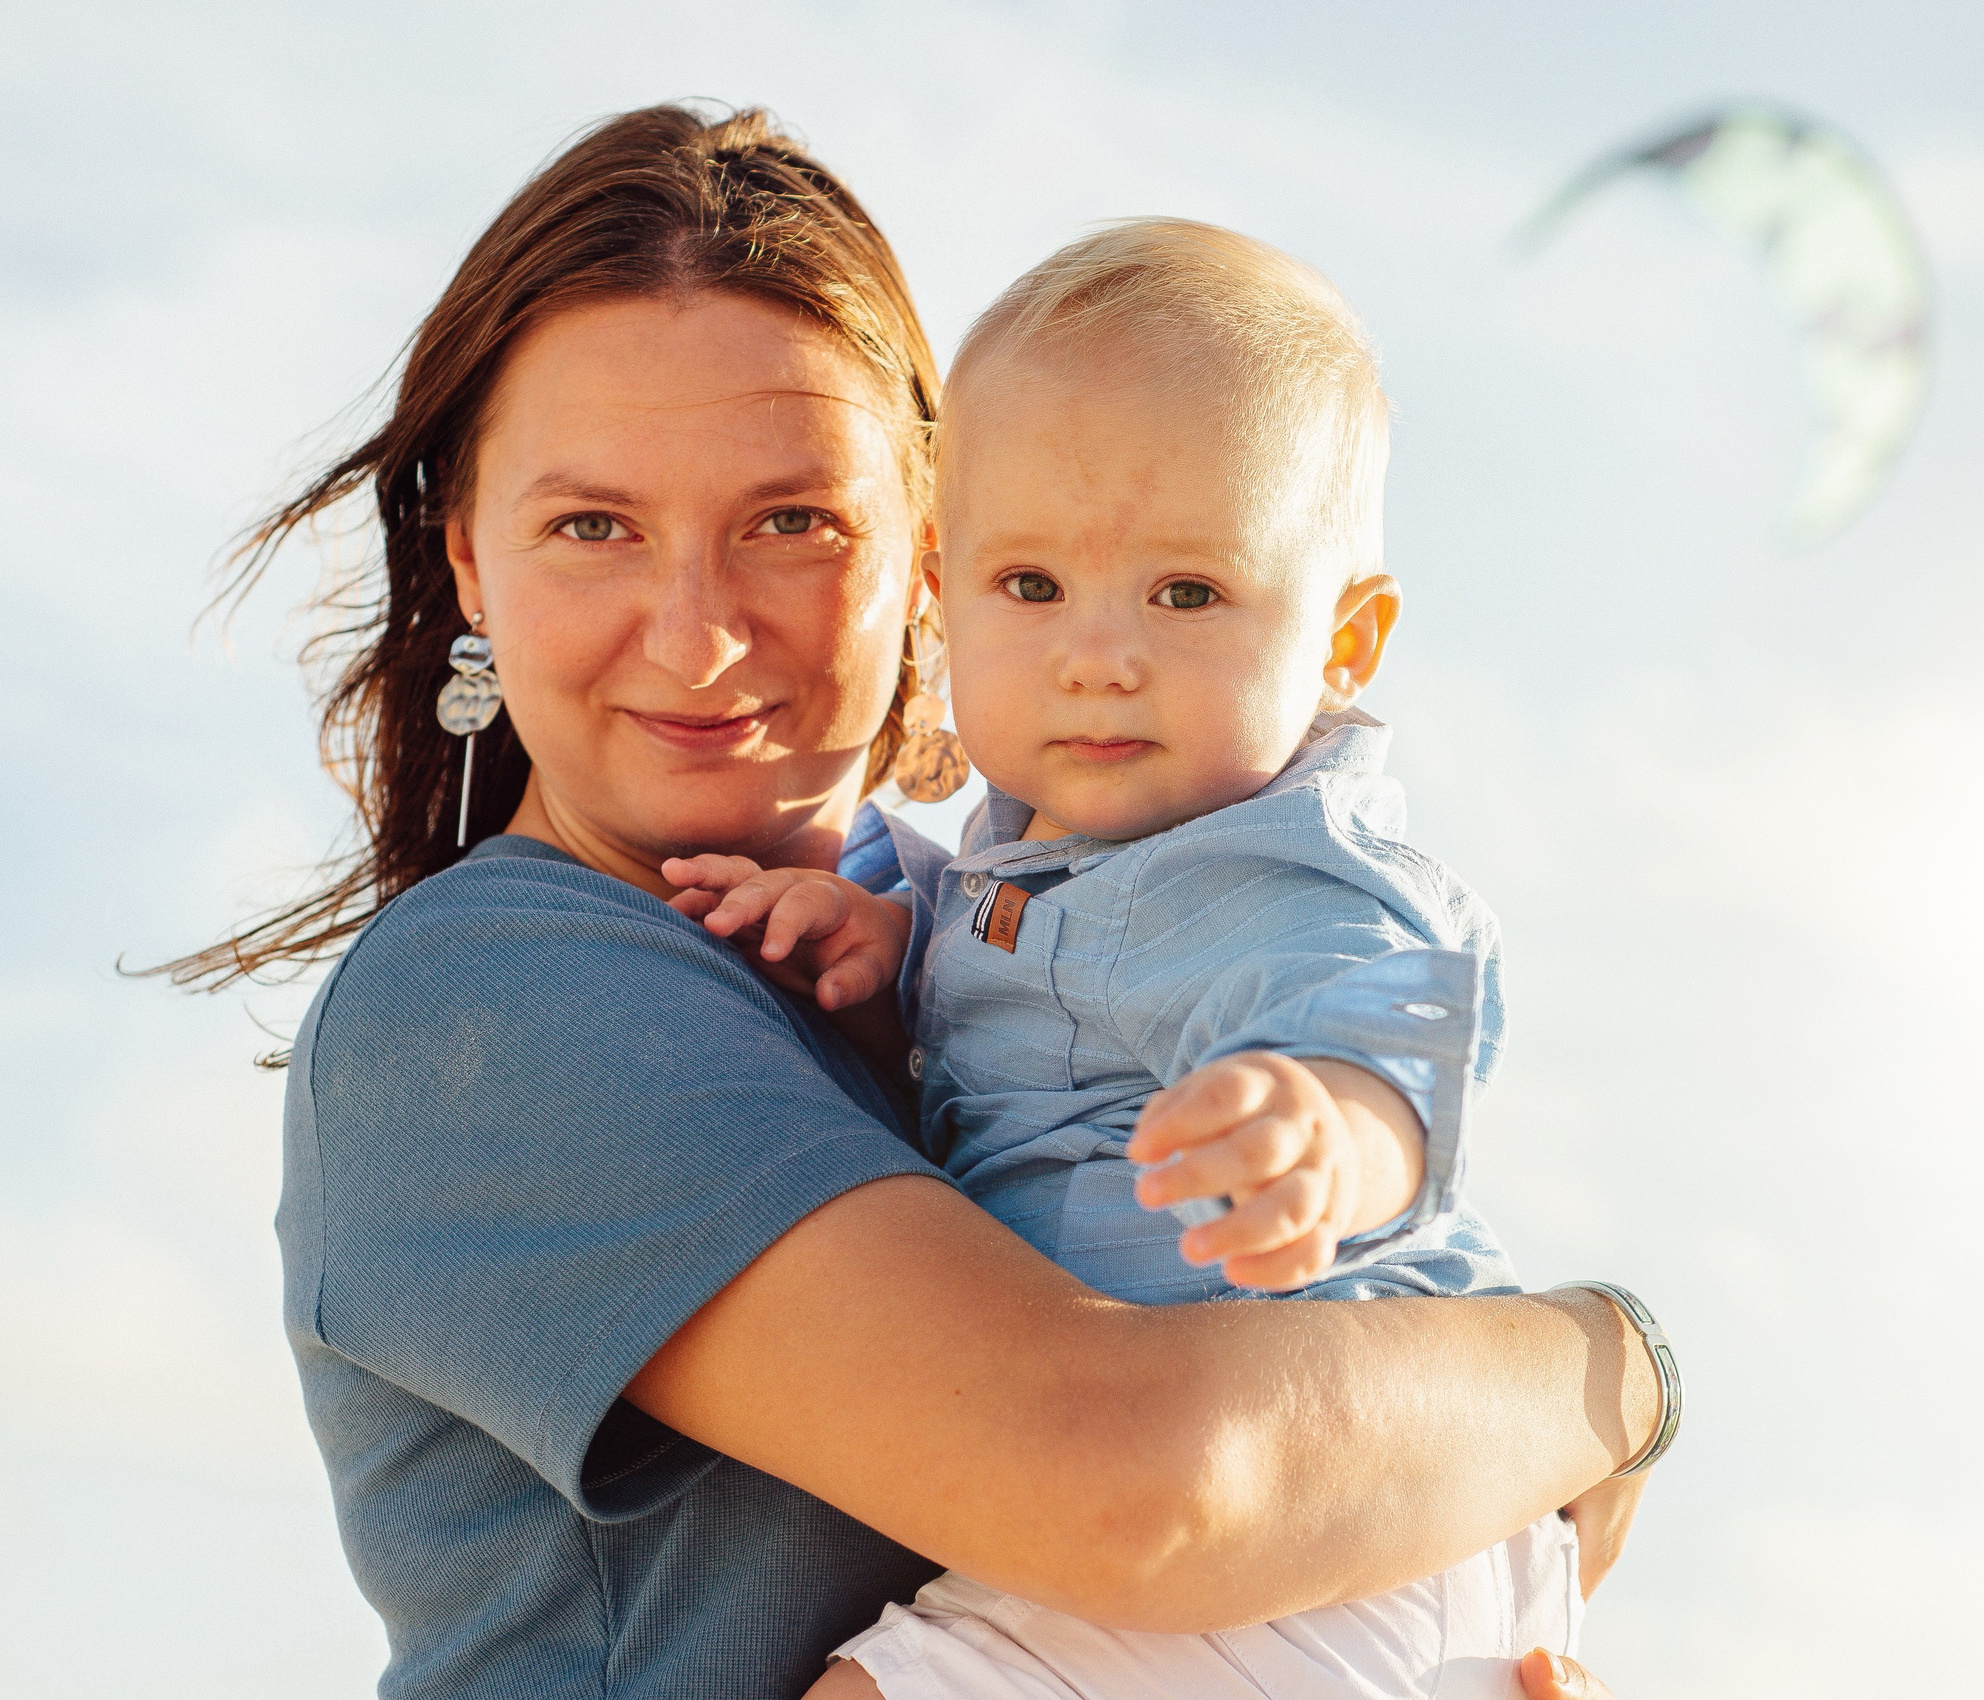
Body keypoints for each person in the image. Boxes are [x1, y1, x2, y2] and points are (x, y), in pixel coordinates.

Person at [163, 103, 1659, 1700]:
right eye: (591, 527)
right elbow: (1135, 1486)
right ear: (469, 563)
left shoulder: (980, 933)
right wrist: (1613, 1375)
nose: (696, 635)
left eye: (793, 522)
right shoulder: (491, 999)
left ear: (922, 560)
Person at [667, 219, 1661, 1700]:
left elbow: (1395, 1038)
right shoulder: (1021, 857)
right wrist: (878, 932)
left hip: (1333, 1498)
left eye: (1187, 594)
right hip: (1185, 1525)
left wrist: (1323, 1137)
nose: (1099, 653)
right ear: (941, 593)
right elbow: (1015, 952)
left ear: (1346, 641)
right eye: (1032, 588)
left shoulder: (1298, 872)